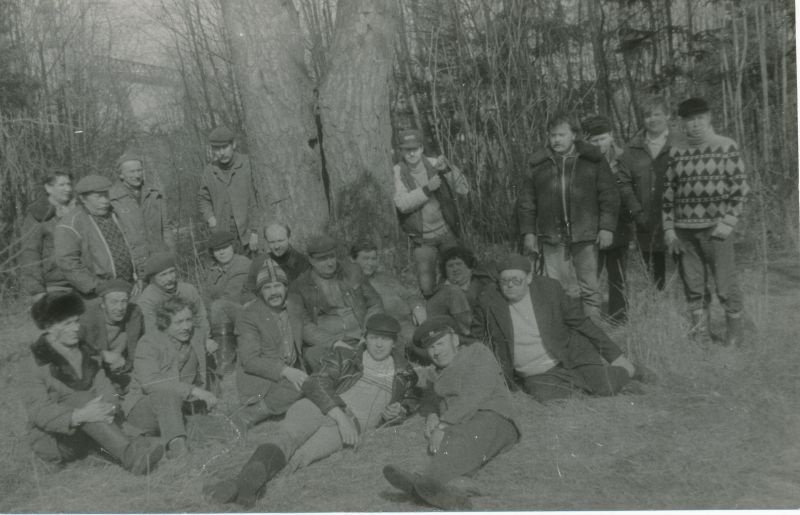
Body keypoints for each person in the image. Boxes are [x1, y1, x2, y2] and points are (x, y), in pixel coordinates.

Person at [205, 313, 418, 508]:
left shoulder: (405, 373)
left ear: (395, 342)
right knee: (288, 436)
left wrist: (400, 411)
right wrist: (341, 417)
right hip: (321, 407)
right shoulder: (348, 355)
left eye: (385, 339)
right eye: (374, 338)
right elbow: (316, 383)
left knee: (302, 457)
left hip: (351, 426)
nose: (379, 344)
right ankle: (245, 481)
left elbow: (411, 400)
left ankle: (243, 484)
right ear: (365, 338)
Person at [473, 254, 653, 402]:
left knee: (604, 385)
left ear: (528, 278)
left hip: (568, 355)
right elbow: (478, 341)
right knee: (550, 398)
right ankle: (604, 383)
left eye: (515, 280)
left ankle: (628, 371)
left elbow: (581, 322)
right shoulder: (488, 300)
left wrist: (615, 356)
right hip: (536, 372)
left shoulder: (549, 289)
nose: (510, 285)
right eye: (504, 281)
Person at [383, 316, 519, 510]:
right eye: (431, 348)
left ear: (455, 340)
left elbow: (475, 394)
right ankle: (453, 491)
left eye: (440, 343)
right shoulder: (434, 373)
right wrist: (431, 415)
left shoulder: (477, 353)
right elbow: (430, 399)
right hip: (462, 425)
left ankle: (426, 483)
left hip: (495, 417)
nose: (437, 352)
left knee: (463, 435)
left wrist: (443, 424)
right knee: (458, 440)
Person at [21, 291, 164, 474]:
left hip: (92, 430)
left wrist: (110, 407)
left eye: (76, 321)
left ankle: (133, 446)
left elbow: (108, 389)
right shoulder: (34, 363)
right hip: (55, 440)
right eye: (67, 324)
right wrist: (80, 415)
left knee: (94, 405)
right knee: (82, 402)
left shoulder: (88, 353)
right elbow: (39, 411)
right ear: (50, 327)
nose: (76, 328)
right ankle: (132, 457)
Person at [663, 97, 750, 347]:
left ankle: (734, 334)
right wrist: (669, 229)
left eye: (700, 118)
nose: (696, 124)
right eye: (690, 120)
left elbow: (740, 189)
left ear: (709, 118)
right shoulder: (676, 151)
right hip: (684, 231)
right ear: (682, 123)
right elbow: (668, 193)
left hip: (716, 230)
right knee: (693, 284)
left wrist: (728, 222)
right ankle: (700, 333)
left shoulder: (726, 146)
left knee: (725, 283)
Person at [517, 112, 620, 321]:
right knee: (555, 288)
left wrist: (606, 227)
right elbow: (527, 202)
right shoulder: (538, 164)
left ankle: (593, 335)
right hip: (552, 236)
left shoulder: (592, 160)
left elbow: (609, 195)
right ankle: (561, 333)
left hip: (585, 233)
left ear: (574, 135)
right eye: (552, 135)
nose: (556, 140)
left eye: (561, 135)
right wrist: (528, 232)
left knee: (589, 288)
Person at [122, 297, 218, 459]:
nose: (186, 327)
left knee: (215, 431)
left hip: (180, 407)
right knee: (166, 394)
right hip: (144, 408)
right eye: (179, 322)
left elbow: (201, 373)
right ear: (165, 323)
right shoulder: (149, 343)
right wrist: (193, 390)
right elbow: (151, 383)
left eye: (188, 320)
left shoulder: (197, 335)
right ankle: (178, 449)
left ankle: (158, 441)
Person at [392, 128, 469, 297]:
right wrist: (427, 190)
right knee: (426, 286)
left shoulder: (435, 163)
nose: (411, 153)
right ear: (401, 151)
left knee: (459, 277)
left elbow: (463, 189)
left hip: (446, 233)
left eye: (415, 148)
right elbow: (402, 204)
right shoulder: (397, 172)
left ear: (421, 148)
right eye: (407, 149)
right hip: (423, 240)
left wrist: (448, 171)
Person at [289, 234, 383, 371]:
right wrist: (334, 343)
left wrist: (369, 332)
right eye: (322, 259)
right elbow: (304, 326)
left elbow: (375, 304)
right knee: (316, 356)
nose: (330, 263)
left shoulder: (353, 271)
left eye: (332, 256)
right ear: (311, 260)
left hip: (361, 336)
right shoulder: (300, 286)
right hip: (327, 344)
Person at [232, 259, 307, 429]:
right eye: (267, 288)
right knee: (301, 387)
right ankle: (248, 415)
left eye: (278, 286)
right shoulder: (249, 316)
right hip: (261, 380)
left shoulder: (294, 305)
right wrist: (286, 371)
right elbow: (250, 361)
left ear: (286, 287)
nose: (273, 293)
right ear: (259, 292)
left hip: (289, 371)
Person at [618, 96, 678, 290]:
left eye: (657, 114)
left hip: (680, 218)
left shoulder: (681, 143)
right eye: (647, 115)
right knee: (654, 270)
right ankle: (658, 309)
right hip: (646, 218)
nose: (652, 119)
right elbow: (624, 183)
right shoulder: (632, 149)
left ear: (667, 116)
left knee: (687, 266)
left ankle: (694, 311)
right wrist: (636, 211)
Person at [54, 175, 139, 297]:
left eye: (106, 195)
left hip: (130, 287)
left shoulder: (118, 214)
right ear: (83, 198)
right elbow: (68, 263)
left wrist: (139, 277)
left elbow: (136, 244)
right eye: (98, 197)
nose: (105, 201)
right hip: (97, 293)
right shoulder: (70, 224)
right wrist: (97, 288)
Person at [582, 114, 630, 323]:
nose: (600, 143)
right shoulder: (583, 162)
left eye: (603, 138)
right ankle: (590, 318)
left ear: (611, 136)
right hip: (592, 227)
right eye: (594, 140)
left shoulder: (624, 158)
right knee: (591, 274)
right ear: (587, 141)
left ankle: (619, 317)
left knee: (617, 274)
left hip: (620, 226)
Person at [349, 238, 425, 355]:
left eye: (373, 259)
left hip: (410, 320)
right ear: (353, 260)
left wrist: (417, 308)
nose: (370, 263)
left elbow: (409, 296)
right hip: (390, 329)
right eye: (365, 259)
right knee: (419, 340)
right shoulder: (351, 285)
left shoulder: (385, 277)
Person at [197, 126, 259, 253]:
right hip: (224, 232)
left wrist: (255, 231)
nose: (221, 153)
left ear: (233, 144)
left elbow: (259, 199)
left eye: (224, 147)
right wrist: (210, 219)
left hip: (248, 231)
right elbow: (203, 198)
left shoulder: (248, 164)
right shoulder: (209, 171)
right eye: (216, 149)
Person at [77, 279, 144, 393]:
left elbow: (144, 342)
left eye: (124, 301)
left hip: (127, 371)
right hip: (98, 375)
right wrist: (102, 355)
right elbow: (72, 350)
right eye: (114, 302)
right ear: (103, 304)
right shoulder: (87, 320)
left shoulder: (134, 314)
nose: (120, 308)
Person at [19, 169, 75, 301]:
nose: (68, 189)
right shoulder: (38, 215)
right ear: (48, 188)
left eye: (69, 184)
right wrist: (37, 290)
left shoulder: (79, 211)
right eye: (62, 185)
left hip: (83, 283)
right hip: (55, 286)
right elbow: (30, 254)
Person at [109, 152, 175, 261]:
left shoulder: (155, 195)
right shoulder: (113, 200)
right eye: (132, 171)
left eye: (139, 170)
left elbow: (166, 228)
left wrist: (171, 254)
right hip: (132, 261)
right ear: (121, 175)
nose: (137, 175)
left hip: (158, 257)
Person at [206, 230, 252, 372]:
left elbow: (231, 297)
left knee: (219, 306)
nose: (221, 253)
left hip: (246, 314)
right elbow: (205, 297)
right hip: (223, 318)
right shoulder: (214, 270)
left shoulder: (242, 264)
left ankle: (225, 361)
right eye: (217, 250)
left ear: (233, 246)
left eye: (225, 248)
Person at [426, 246, 495, 334]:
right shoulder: (440, 290)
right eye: (450, 266)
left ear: (469, 267)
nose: (455, 269)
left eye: (459, 264)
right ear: (445, 271)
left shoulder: (483, 285)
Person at [247, 223, 310, 291]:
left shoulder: (303, 262)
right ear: (266, 241)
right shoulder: (259, 262)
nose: (276, 246)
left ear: (289, 238)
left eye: (280, 241)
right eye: (272, 242)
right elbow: (247, 292)